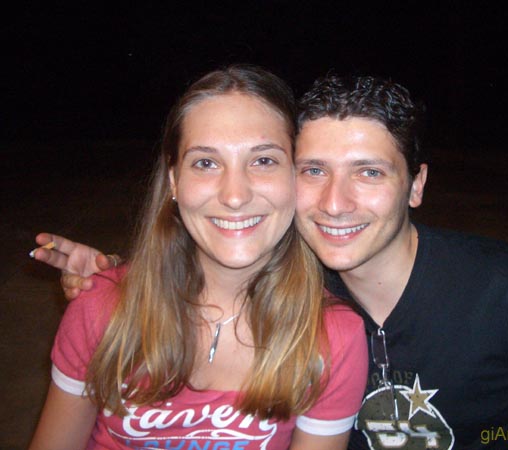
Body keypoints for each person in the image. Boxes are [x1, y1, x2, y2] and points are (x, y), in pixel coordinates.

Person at [32, 73, 508, 449]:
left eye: (369, 172)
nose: (334, 203)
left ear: (416, 184)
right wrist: (115, 277)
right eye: (314, 170)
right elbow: (215, 254)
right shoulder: (297, 277)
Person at [28, 65, 368, 450]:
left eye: (263, 161)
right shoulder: (102, 307)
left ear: (296, 175)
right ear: (175, 181)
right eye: (206, 163)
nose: (234, 196)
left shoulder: (333, 337)